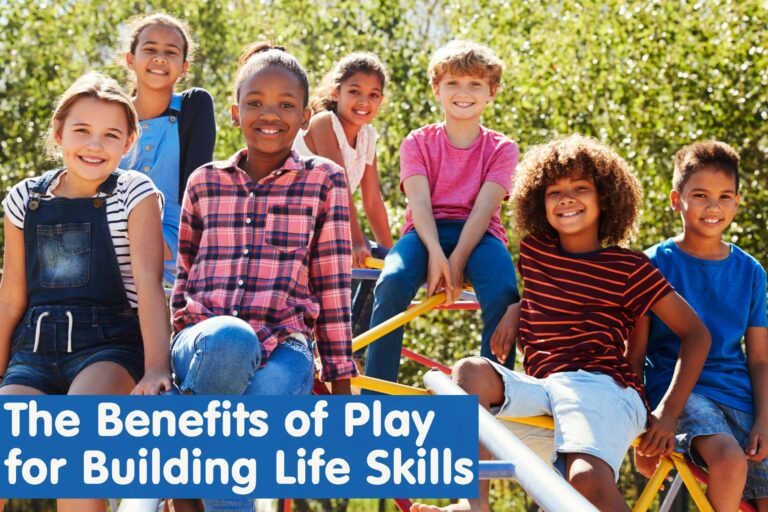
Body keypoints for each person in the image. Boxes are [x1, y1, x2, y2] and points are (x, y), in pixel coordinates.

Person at [413, 135, 711, 512]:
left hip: (602, 387)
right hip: (544, 388)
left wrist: (667, 413)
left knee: (585, 481)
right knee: (468, 373)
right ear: (540, 201)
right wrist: (516, 308)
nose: (566, 198)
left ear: (606, 197)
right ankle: (475, 506)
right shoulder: (535, 252)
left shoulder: (630, 268)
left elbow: (697, 334)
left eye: (581, 188)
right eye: (554, 191)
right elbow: (554, 296)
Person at [169, 42, 357, 512]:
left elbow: (333, 286)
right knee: (231, 339)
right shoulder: (204, 182)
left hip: (285, 349)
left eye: (285, 104)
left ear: (305, 115)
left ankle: (187, 485)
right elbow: (183, 276)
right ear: (235, 112)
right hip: (204, 340)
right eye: (255, 102)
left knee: (246, 427)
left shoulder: (325, 181)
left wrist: (339, 390)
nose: (268, 114)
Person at [0, 72, 171, 512]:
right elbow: (12, 294)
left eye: (111, 135)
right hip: (32, 352)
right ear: (58, 133)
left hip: (109, 348)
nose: (95, 145)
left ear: (129, 142)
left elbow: (150, 285)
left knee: (78, 434)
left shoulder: (135, 194)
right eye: (82, 131)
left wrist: (155, 369)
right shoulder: (24, 199)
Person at [364, 40, 520, 388]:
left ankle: (493, 398)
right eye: (452, 83)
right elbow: (419, 203)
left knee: (503, 292)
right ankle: (377, 393)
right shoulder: (417, 142)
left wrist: (458, 258)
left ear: (491, 92)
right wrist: (436, 254)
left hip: (480, 237)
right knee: (391, 282)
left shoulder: (502, 148)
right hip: (424, 233)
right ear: (436, 88)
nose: (463, 92)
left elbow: (484, 208)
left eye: (475, 84)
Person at [630, 141, 768, 511]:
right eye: (701, 195)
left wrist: (764, 420)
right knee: (728, 459)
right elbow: (635, 353)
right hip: (677, 394)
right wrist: (642, 422)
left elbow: (758, 359)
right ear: (677, 200)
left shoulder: (751, 272)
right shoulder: (653, 263)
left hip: (739, 396)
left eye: (725, 196)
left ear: (737, 203)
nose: (713, 206)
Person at [294, 52, 392, 337]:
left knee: (383, 265)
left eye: (374, 95)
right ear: (336, 93)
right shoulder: (325, 123)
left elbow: (372, 201)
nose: (364, 101)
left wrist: (392, 256)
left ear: (381, 101)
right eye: (355, 92)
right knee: (359, 254)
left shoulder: (368, 136)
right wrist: (357, 241)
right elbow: (340, 187)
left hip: (331, 229)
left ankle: (356, 343)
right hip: (302, 225)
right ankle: (338, 343)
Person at [122, 13, 216, 284]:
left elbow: (196, 189)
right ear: (130, 59)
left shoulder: (193, 106)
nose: (160, 58)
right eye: (150, 49)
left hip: (171, 247)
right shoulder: (112, 112)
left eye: (171, 52)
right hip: (107, 240)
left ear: (184, 65)